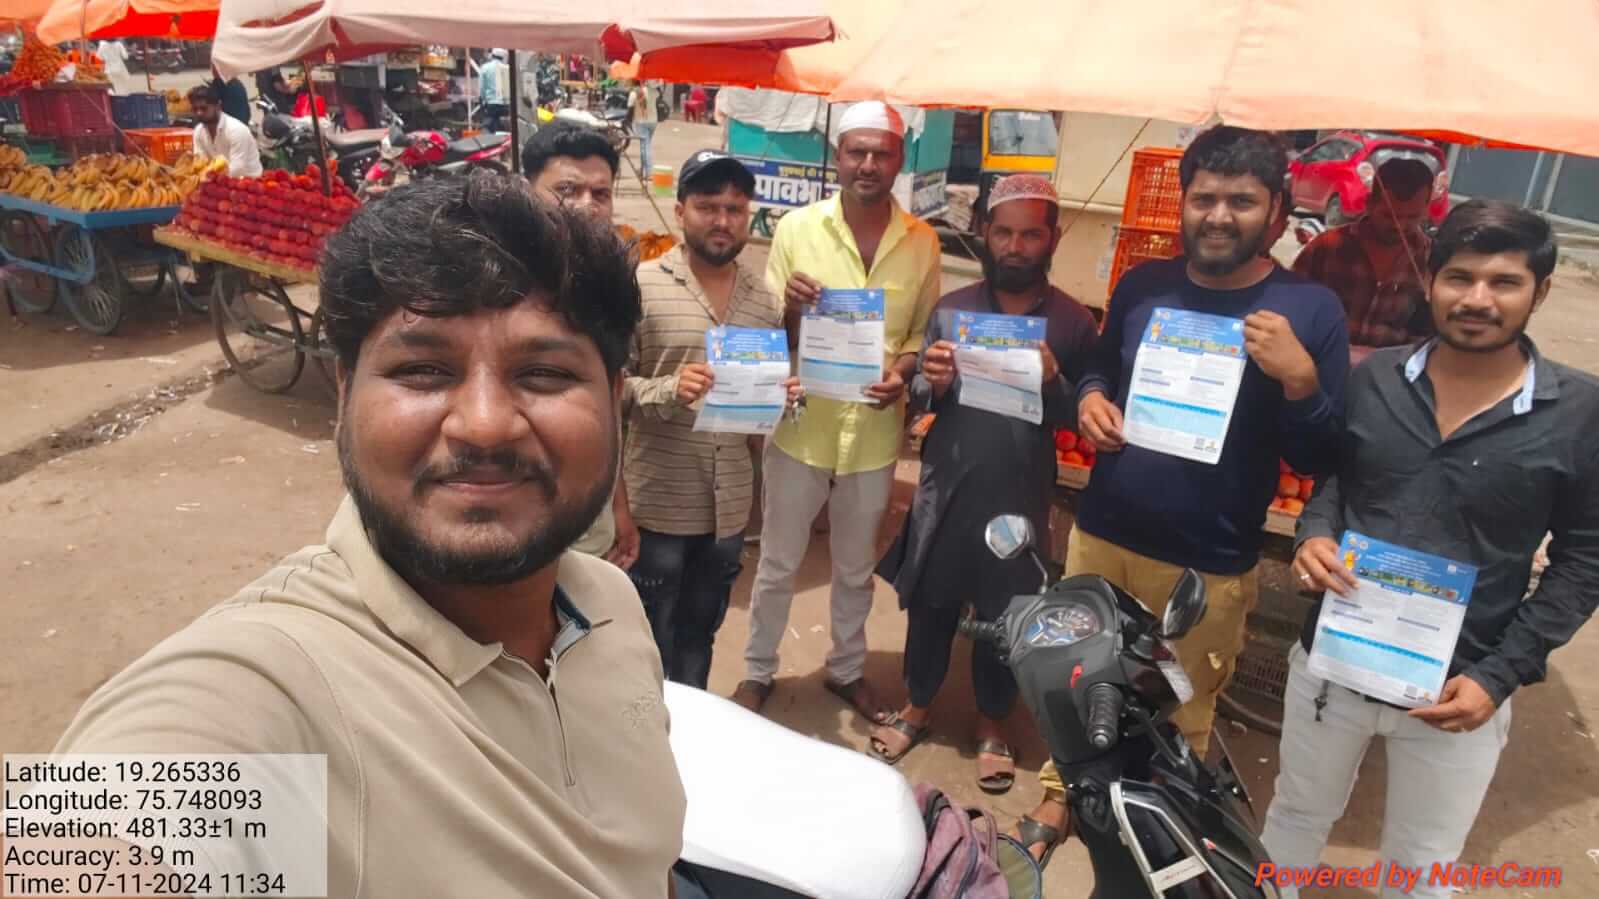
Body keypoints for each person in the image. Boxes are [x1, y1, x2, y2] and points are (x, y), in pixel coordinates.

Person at [51, 176, 685, 897]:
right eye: (422, 370)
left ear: (614, 401)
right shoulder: (272, 681)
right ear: (344, 397)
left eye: (543, 373)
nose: (484, 425)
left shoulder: (609, 601)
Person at [1013, 125, 1351, 865]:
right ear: (1184, 204)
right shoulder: (1144, 286)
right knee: (1073, 678)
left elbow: (1320, 456)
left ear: (1276, 210)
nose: (1219, 216)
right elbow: (1101, 366)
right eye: (1204, 199)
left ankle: (1158, 833)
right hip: (1104, 530)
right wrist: (1092, 397)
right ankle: (1060, 796)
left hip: (1207, 559)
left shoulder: (1309, 309)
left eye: (1241, 201)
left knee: (1181, 705)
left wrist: (1300, 380)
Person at [1262, 201, 1599, 899]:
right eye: (1459, 277)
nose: (1477, 299)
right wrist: (1315, 532)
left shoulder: (1578, 412)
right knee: (1293, 815)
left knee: (1422, 863)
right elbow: (1339, 481)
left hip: (1459, 688)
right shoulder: (1375, 378)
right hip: (1334, 665)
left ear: (1539, 293)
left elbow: (1585, 558)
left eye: (1504, 282)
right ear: (1431, 281)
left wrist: (1501, 674)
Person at [872, 174, 1099, 792]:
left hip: (1019, 494)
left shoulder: (1074, 323)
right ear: (984, 234)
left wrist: (1054, 380)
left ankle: (994, 721)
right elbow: (923, 395)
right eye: (1004, 232)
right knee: (931, 602)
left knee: (1008, 613)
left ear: (1053, 238)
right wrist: (933, 380)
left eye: (1030, 234)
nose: (1015, 247)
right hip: (948, 486)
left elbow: (1083, 413)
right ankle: (919, 703)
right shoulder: (953, 309)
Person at [732, 102, 942, 724]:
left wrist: (902, 373)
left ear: (900, 160)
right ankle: (757, 670)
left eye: (881, 153)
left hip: (873, 432)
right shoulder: (797, 229)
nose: (868, 164)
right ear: (838, 155)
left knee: (855, 567)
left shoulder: (922, 242)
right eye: (857, 151)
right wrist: (793, 309)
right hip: (802, 426)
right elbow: (771, 331)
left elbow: (920, 334)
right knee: (777, 562)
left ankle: (846, 670)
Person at [624, 150, 798, 688]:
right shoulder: (641, 285)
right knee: (647, 642)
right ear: (680, 212)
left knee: (700, 636)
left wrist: (782, 395)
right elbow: (609, 388)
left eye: (735, 209)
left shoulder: (763, 301)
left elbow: (759, 410)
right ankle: (648, 734)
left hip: (728, 510)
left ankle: (695, 732)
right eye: (707, 207)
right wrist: (668, 389)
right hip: (660, 505)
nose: (723, 220)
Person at [520, 121, 637, 569]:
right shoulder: (493, 285)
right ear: (528, 191)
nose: (587, 205)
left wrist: (618, 505)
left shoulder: (609, 291)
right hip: (519, 519)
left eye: (600, 193)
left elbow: (608, 409)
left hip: (590, 528)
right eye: (567, 190)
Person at [1294, 157, 1437, 366]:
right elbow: (1293, 309)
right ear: (1369, 203)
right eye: (1389, 215)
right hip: (1320, 364)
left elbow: (1430, 337)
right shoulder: (1327, 247)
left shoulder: (1431, 259)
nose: (1399, 226)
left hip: (1389, 373)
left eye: (1412, 217)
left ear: (1426, 210)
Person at [188, 83, 261, 178]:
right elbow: (200, 163)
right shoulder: (198, 131)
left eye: (204, 108)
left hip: (248, 181)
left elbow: (237, 170)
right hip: (217, 180)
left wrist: (208, 177)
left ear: (218, 106)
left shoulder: (236, 130)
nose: (199, 113)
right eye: (195, 109)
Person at [631, 80, 660, 180]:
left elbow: (630, 107)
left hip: (641, 121)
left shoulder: (635, 92)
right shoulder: (654, 92)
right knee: (644, 146)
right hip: (653, 122)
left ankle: (649, 172)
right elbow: (658, 93)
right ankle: (643, 170)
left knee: (645, 147)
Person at [478, 49, 509, 133]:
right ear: (503, 57)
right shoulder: (507, 68)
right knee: (504, 128)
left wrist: (483, 99)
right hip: (505, 104)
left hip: (491, 103)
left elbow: (482, 87)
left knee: (490, 127)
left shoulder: (485, 67)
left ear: (492, 56)